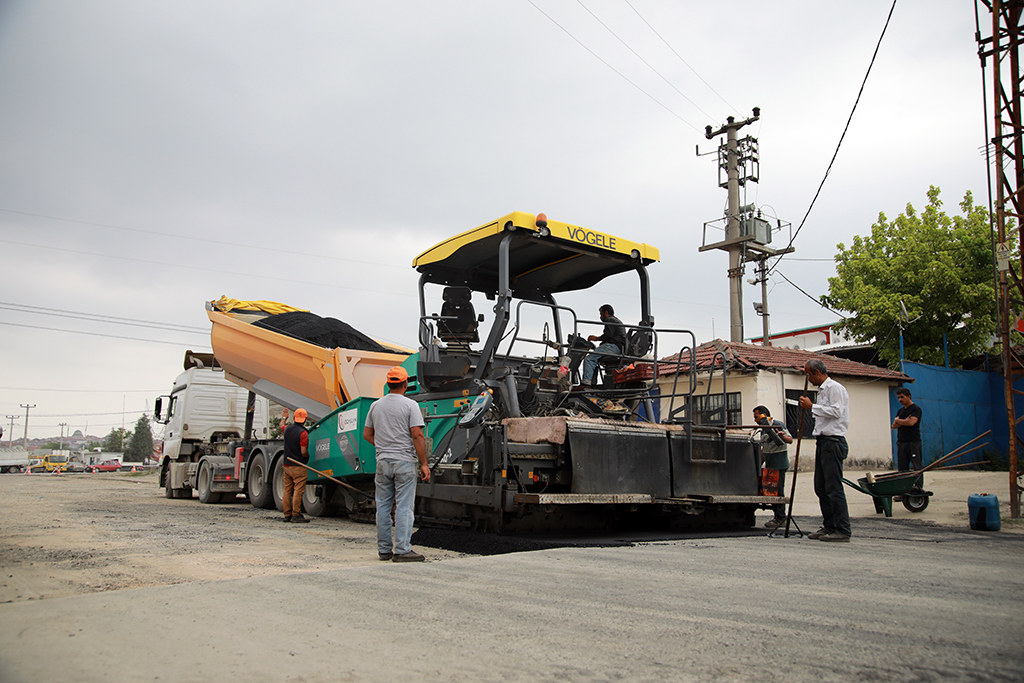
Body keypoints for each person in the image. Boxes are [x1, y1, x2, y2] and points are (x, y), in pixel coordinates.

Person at [363, 366, 431, 562]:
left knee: (383, 507)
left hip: (383, 462)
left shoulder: (376, 406)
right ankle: (402, 550)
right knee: (403, 507)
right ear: (405, 385)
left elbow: (367, 434)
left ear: (388, 384)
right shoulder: (410, 405)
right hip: (404, 462)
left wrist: (384, 446)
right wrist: (424, 464)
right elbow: (417, 435)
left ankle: (384, 550)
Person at [799, 358, 852, 542]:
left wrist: (812, 407)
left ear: (817, 372)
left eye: (809, 375)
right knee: (821, 487)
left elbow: (836, 412)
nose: (808, 379)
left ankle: (843, 529)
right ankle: (829, 525)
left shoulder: (834, 388)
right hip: (822, 441)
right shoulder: (822, 392)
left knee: (833, 487)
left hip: (833, 441)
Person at [750, 405, 793, 528]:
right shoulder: (764, 429)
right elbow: (765, 448)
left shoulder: (777, 425)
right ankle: (777, 516)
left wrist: (782, 436)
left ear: (764, 415)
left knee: (778, 491)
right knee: (771, 491)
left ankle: (781, 517)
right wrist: (758, 464)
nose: (755, 420)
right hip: (770, 464)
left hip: (779, 463)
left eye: (756, 417)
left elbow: (789, 440)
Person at [582, 304, 627, 385]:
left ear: (606, 312)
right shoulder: (616, 320)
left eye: (600, 314)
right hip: (619, 347)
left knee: (590, 359)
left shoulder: (610, 320)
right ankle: (592, 382)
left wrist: (596, 338)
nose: (600, 316)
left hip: (613, 346)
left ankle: (586, 382)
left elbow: (608, 335)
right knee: (595, 359)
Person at [279, 407, 310, 523]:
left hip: (287, 465)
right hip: (298, 465)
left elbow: (281, 425)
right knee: (298, 490)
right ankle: (296, 515)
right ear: (305, 419)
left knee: (287, 490)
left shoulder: (287, 429)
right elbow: (303, 451)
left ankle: (287, 514)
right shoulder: (303, 433)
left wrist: (284, 418)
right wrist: (307, 456)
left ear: (294, 418)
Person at [892, 387, 923, 490]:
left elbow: (911, 422)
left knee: (916, 467)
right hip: (901, 442)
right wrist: (902, 421)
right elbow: (894, 426)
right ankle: (903, 490)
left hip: (913, 442)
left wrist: (899, 421)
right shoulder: (900, 411)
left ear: (908, 396)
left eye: (902, 397)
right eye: (898, 398)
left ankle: (917, 490)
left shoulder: (915, 409)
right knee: (902, 468)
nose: (900, 399)